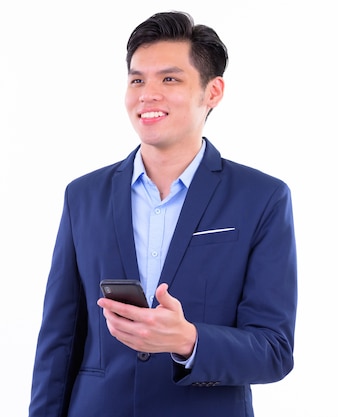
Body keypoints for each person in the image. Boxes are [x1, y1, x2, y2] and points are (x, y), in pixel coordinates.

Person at [28, 10, 297, 417]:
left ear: (213, 92)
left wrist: (189, 340)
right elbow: (58, 339)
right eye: (137, 79)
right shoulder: (83, 195)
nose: (146, 94)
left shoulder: (262, 198)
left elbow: (274, 350)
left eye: (169, 79)